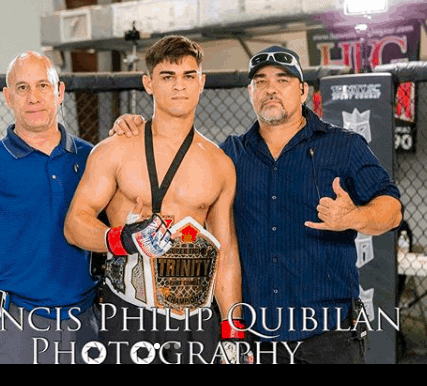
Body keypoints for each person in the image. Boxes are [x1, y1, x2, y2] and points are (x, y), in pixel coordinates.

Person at [110, 45, 403, 364]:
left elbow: (392, 210)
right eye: (261, 81)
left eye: (283, 80)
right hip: (255, 336)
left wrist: (354, 216)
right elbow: (176, 174)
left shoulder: (343, 146)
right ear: (250, 92)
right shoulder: (229, 154)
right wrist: (138, 129)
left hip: (329, 336)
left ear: (303, 91)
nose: (271, 89)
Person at [64, 35, 245, 364]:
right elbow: (75, 225)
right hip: (129, 314)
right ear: (148, 83)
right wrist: (120, 239)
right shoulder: (114, 150)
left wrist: (233, 333)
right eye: (167, 76)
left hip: (195, 320)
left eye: (188, 76)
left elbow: (226, 254)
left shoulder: (220, 164)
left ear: (201, 82)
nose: (179, 86)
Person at [0, 51, 100, 364]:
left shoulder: (93, 158)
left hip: (84, 320)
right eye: (22, 88)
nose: (33, 97)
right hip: (12, 325)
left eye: (43, 85)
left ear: (60, 92)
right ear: (8, 97)